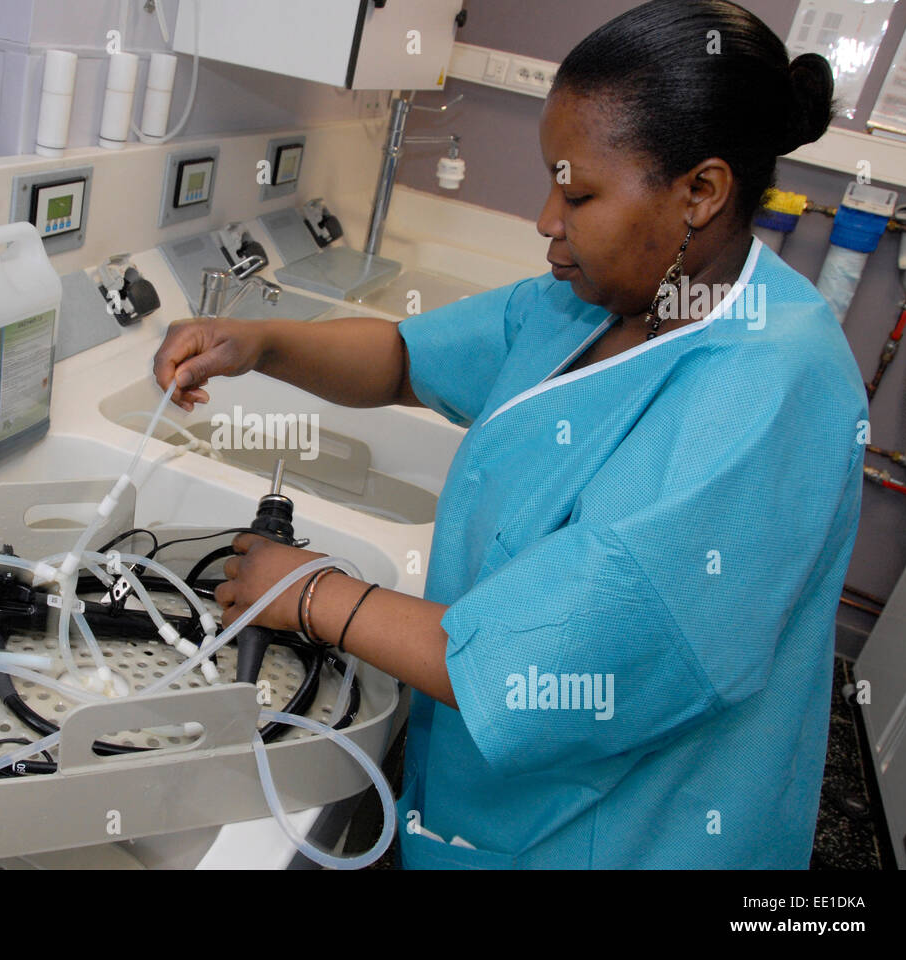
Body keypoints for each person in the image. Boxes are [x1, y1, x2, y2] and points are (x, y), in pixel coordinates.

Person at [152, 0, 867, 868]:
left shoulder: (773, 391)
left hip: (635, 833)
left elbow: (560, 670)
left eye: (579, 194)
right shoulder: (604, 300)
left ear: (701, 192)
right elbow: (405, 357)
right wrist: (261, 343)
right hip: (489, 797)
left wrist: (310, 594)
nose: (545, 221)